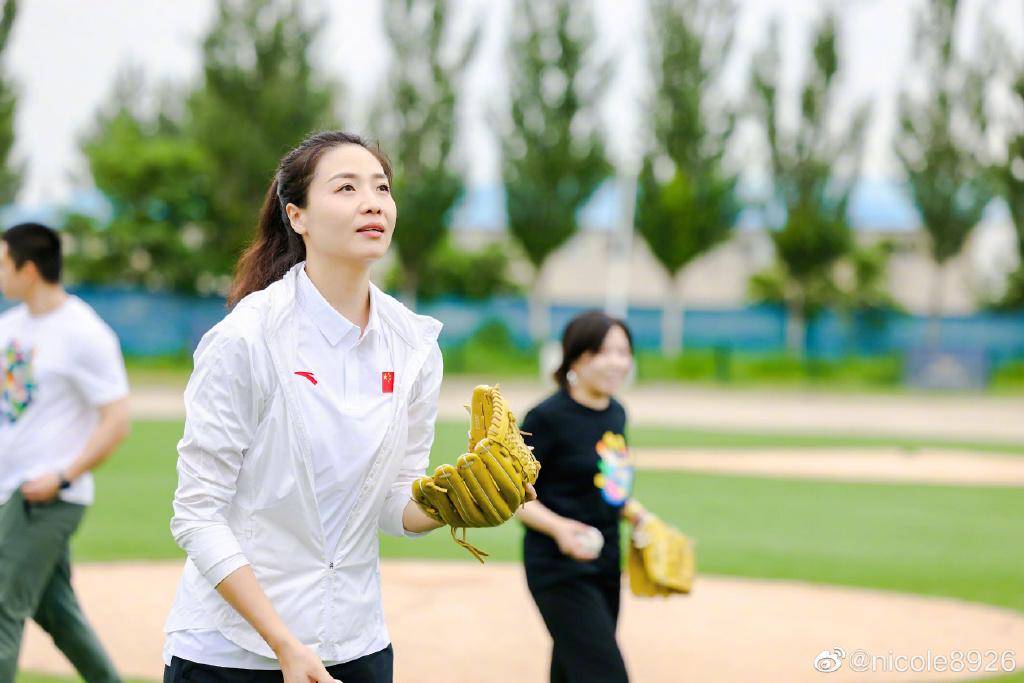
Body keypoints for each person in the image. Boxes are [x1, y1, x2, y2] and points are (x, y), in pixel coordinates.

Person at [163, 131, 533, 683]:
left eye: (382, 188)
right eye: (346, 187)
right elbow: (197, 513)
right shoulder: (247, 338)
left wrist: (450, 506)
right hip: (233, 653)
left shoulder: (414, 347)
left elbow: (390, 502)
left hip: (355, 644)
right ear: (298, 217)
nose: (372, 202)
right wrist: (284, 643)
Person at [0, 222, 131, 682]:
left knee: (1, 606)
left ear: (29, 269)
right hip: (10, 494)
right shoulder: (10, 327)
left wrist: (62, 476)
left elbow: (116, 420)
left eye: (2, 263)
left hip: (48, 497)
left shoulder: (84, 333)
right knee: (58, 616)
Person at [517, 310, 650, 683]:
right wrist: (559, 528)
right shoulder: (546, 418)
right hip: (558, 567)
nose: (616, 363)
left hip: (606, 559)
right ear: (576, 356)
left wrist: (637, 515)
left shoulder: (617, 414)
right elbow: (512, 495)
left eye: (624, 353)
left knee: (573, 669)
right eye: (603, 352)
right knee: (604, 673)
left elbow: (608, 484)